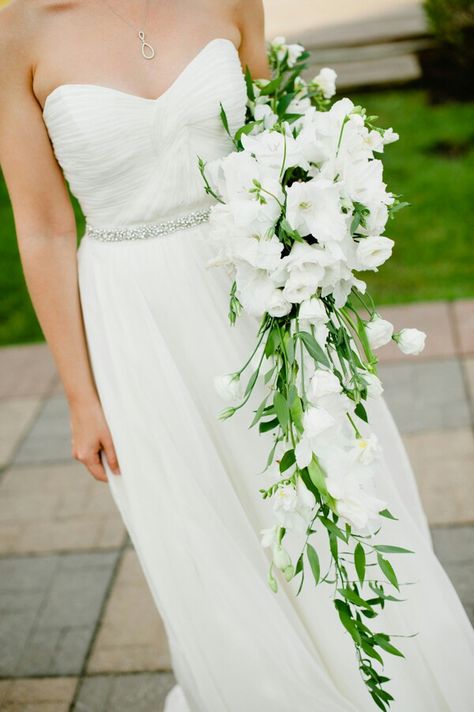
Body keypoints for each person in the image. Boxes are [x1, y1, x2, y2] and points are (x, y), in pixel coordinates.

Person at [0, 1, 473, 710]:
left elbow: (280, 146)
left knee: (332, 509)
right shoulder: (19, 33)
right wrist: (81, 396)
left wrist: (323, 236)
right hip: (137, 323)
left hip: (266, 295)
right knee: (211, 543)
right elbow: (41, 226)